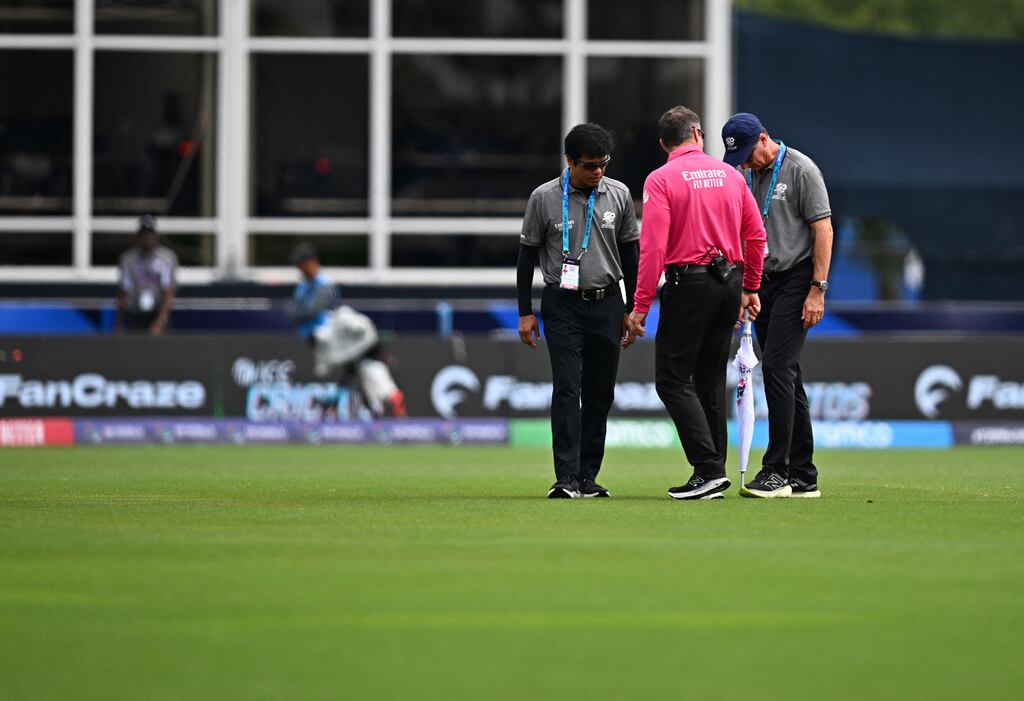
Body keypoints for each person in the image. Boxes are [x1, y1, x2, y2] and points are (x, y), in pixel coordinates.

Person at [624, 106, 765, 501]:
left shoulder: (661, 179)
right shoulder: (731, 176)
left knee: (671, 380)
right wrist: (749, 287)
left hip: (690, 283)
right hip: (729, 283)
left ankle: (707, 469)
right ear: (698, 135)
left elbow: (652, 248)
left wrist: (639, 307)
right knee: (707, 379)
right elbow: (756, 236)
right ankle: (714, 471)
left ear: (663, 143)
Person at [517, 123, 640, 499]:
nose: (598, 172)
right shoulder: (544, 198)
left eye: (603, 164)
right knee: (568, 388)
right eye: (589, 165)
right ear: (569, 161)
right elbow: (526, 258)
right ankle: (566, 476)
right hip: (562, 304)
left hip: (608, 302)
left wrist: (634, 308)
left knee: (600, 392)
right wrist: (525, 312)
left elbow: (632, 256)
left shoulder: (618, 194)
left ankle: (589, 476)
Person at [721, 112, 833, 498]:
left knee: (779, 368)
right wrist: (744, 286)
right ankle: (804, 475)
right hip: (761, 282)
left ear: (764, 138)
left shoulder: (802, 169)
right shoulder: (747, 175)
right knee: (789, 375)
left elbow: (824, 229)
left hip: (797, 278)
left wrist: (817, 289)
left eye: (748, 153)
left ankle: (777, 471)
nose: (745, 163)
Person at [289, 244, 406, 418]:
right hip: (322, 343)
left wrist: (302, 312)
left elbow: (310, 311)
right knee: (363, 370)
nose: (300, 268)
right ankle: (380, 396)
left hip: (336, 339)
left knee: (364, 364)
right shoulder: (303, 287)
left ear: (311, 262)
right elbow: (297, 314)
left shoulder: (324, 284)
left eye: (302, 263)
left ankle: (380, 401)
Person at [115, 214, 178, 335]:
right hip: (136, 315)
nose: (147, 237)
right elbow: (123, 291)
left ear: (156, 235)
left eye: (150, 233)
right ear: (138, 236)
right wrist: (119, 324)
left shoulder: (166, 259)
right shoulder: (128, 260)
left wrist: (160, 321)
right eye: (144, 233)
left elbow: (168, 292)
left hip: (157, 313)